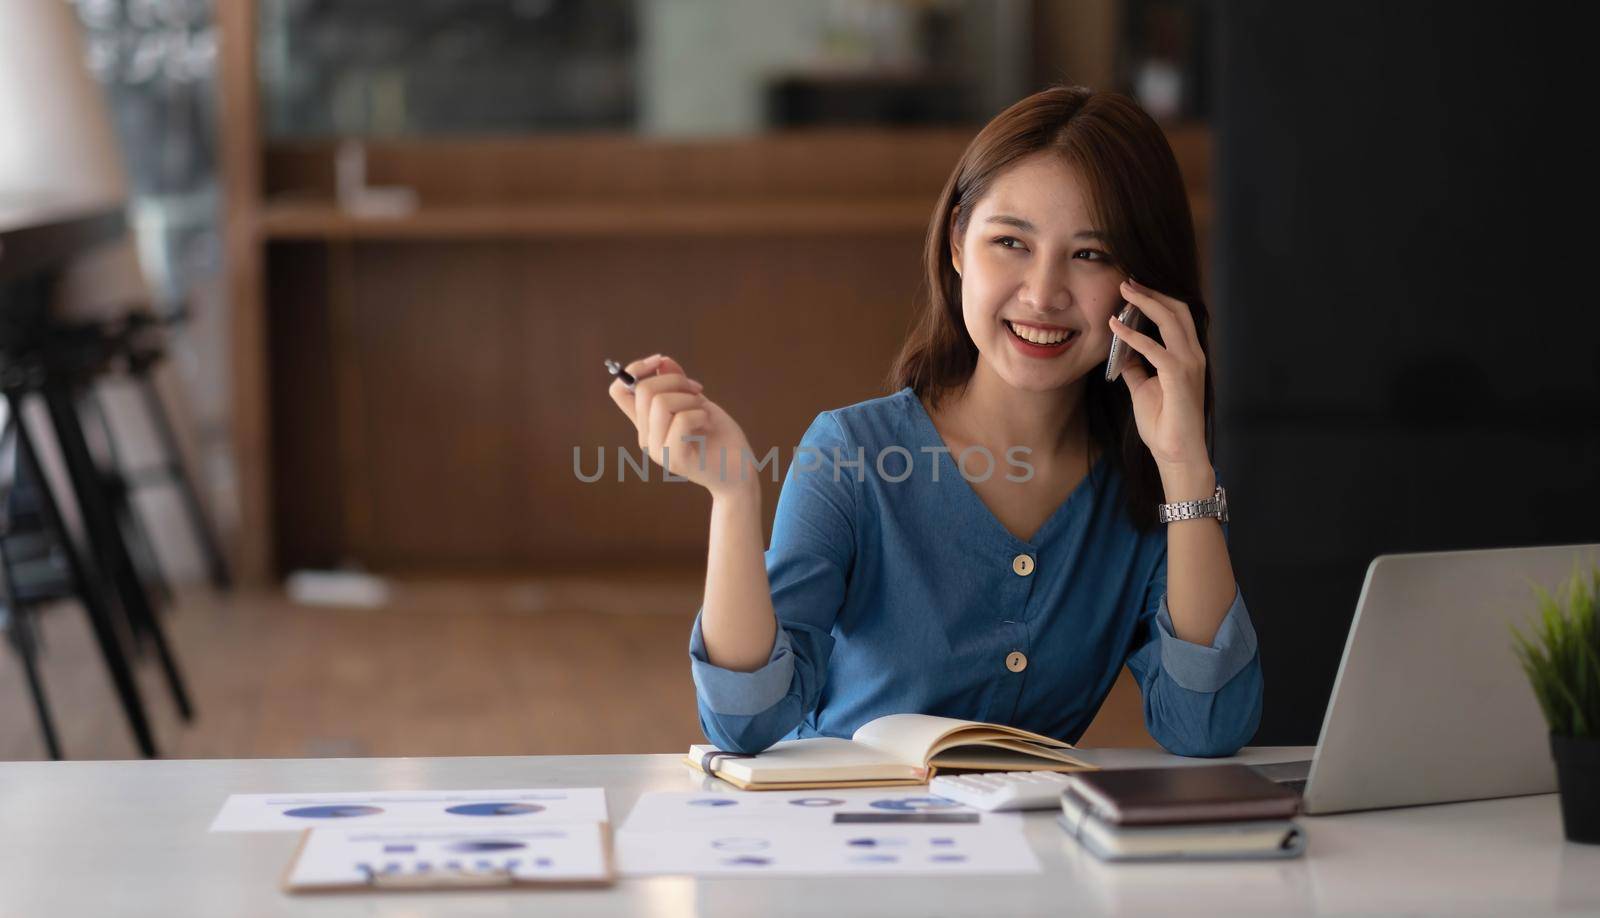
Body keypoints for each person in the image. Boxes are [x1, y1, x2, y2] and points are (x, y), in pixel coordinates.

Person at [607, 86, 1261, 758]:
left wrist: (1185, 470)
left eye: (1090, 255)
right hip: (844, 840)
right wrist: (734, 494)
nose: (1042, 293)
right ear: (957, 245)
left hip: (1034, 857)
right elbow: (744, 722)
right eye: (1010, 242)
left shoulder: (1152, 486)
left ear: (1145, 282)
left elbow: (1207, 728)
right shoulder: (852, 454)